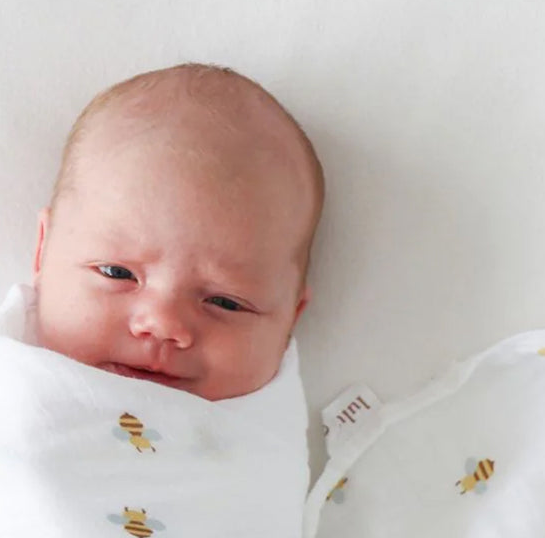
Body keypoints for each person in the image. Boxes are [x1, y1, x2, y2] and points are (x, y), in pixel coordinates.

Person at [29, 63, 325, 401]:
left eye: (225, 302)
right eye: (117, 273)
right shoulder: (6, 392)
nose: (162, 324)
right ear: (42, 252)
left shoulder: (260, 439)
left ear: (291, 319)